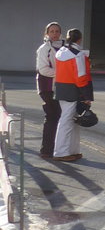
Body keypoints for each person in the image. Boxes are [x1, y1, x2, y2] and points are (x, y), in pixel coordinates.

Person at [52, 27, 93, 163]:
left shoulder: (61, 52)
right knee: (68, 121)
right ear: (80, 39)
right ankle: (61, 152)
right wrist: (87, 96)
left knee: (72, 121)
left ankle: (72, 151)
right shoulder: (77, 54)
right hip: (74, 91)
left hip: (62, 89)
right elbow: (81, 77)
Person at [35, 21, 65, 159]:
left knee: (60, 117)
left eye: (57, 31)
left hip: (62, 87)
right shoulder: (44, 49)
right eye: (51, 31)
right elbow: (43, 70)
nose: (54, 34)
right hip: (47, 87)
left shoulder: (65, 48)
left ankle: (57, 149)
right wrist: (62, 73)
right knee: (52, 116)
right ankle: (46, 150)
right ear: (46, 33)